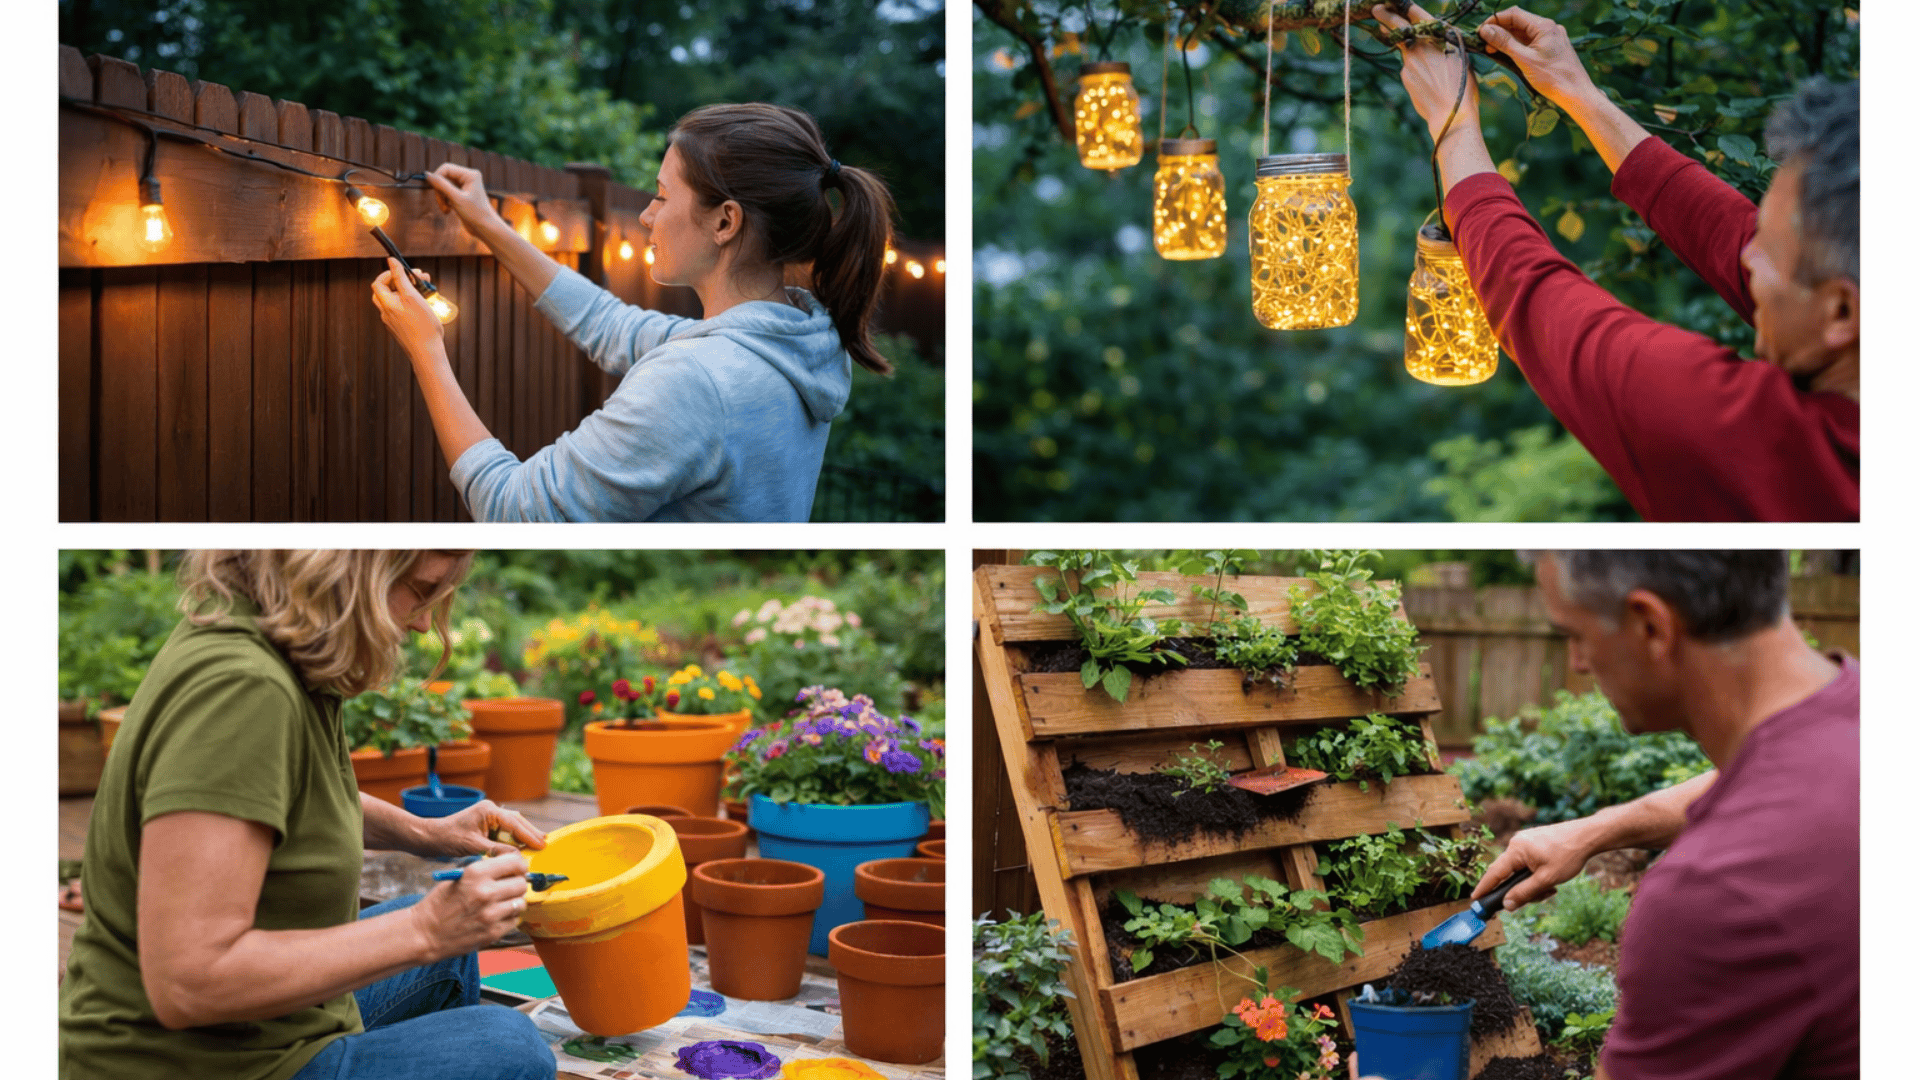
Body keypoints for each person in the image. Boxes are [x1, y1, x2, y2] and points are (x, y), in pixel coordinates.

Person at [59, 551, 556, 1080]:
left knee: (446, 954)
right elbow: (190, 981)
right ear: (341, 569)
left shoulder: (280, 647)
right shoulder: (243, 689)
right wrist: (427, 928)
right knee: (510, 1047)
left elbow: (286, 797)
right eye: (418, 589)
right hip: (189, 1063)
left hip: (265, 1028)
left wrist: (428, 833)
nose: (423, 623)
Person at [1374, 4, 1858, 522]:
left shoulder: (1762, 446)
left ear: (1842, 314)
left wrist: (1453, 125)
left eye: (1769, 247)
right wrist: (1579, 95)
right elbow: (1725, 230)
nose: (1747, 255)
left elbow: (1543, 303)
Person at [371, 104, 896, 522]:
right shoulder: (800, 337)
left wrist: (427, 350)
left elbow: (513, 510)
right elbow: (610, 325)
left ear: (725, 223)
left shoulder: (697, 380)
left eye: (663, 197)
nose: (646, 214)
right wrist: (489, 226)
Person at [1464, 552, 1856, 1078]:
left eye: (1575, 634)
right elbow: (1779, 776)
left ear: (1651, 626)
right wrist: (1593, 831)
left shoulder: (1718, 892)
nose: (1578, 662)